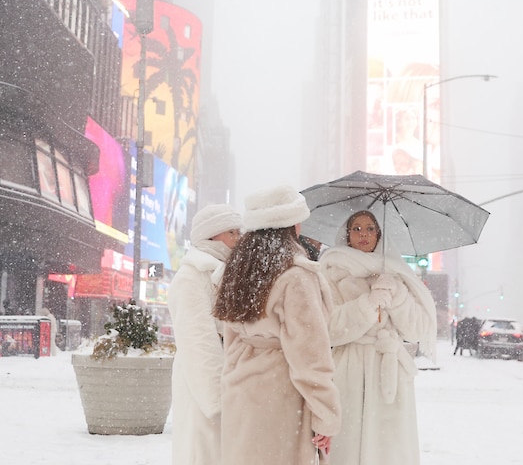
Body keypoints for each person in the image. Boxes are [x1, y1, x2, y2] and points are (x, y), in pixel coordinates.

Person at [213, 185, 341, 465]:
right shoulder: (296, 275)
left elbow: (231, 338)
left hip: (241, 392)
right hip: (280, 396)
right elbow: (310, 356)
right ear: (290, 223)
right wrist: (325, 416)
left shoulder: (237, 271)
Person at [318, 210, 437, 465]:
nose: (364, 235)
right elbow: (328, 328)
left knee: (390, 451)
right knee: (348, 447)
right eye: (357, 228)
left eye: (370, 229)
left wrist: (396, 296)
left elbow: (416, 329)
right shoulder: (330, 272)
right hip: (348, 370)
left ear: (379, 235)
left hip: (390, 372)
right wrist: (368, 304)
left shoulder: (396, 273)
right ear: (347, 235)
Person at [167, 203, 242, 465]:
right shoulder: (192, 277)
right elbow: (198, 341)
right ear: (212, 235)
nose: (238, 238)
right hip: (203, 383)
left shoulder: (224, 273)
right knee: (201, 451)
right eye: (231, 232)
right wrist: (217, 400)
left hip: (225, 376)